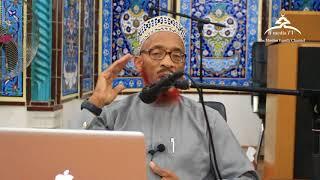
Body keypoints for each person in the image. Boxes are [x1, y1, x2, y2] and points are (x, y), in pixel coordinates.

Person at [80, 16, 259, 180]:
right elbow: (75, 164)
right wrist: (95, 102)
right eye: (157, 53)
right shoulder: (114, 116)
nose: (168, 62)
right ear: (139, 62)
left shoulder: (207, 119)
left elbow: (246, 177)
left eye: (176, 55)